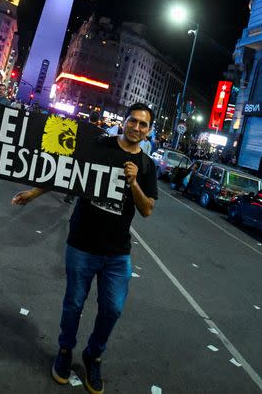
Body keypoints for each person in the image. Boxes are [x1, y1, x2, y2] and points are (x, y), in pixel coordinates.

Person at [11, 103, 158, 394]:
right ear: (124, 121)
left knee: (113, 309)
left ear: (149, 131)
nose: (137, 128)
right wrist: (32, 193)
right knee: (74, 304)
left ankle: (94, 354)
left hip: (117, 253)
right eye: (133, 121)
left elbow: (147, 210)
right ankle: (65, 351)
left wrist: (134, 184)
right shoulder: (98, 145)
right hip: (82, 243)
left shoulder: (146, 166)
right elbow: (64, 172)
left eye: (143, 125)